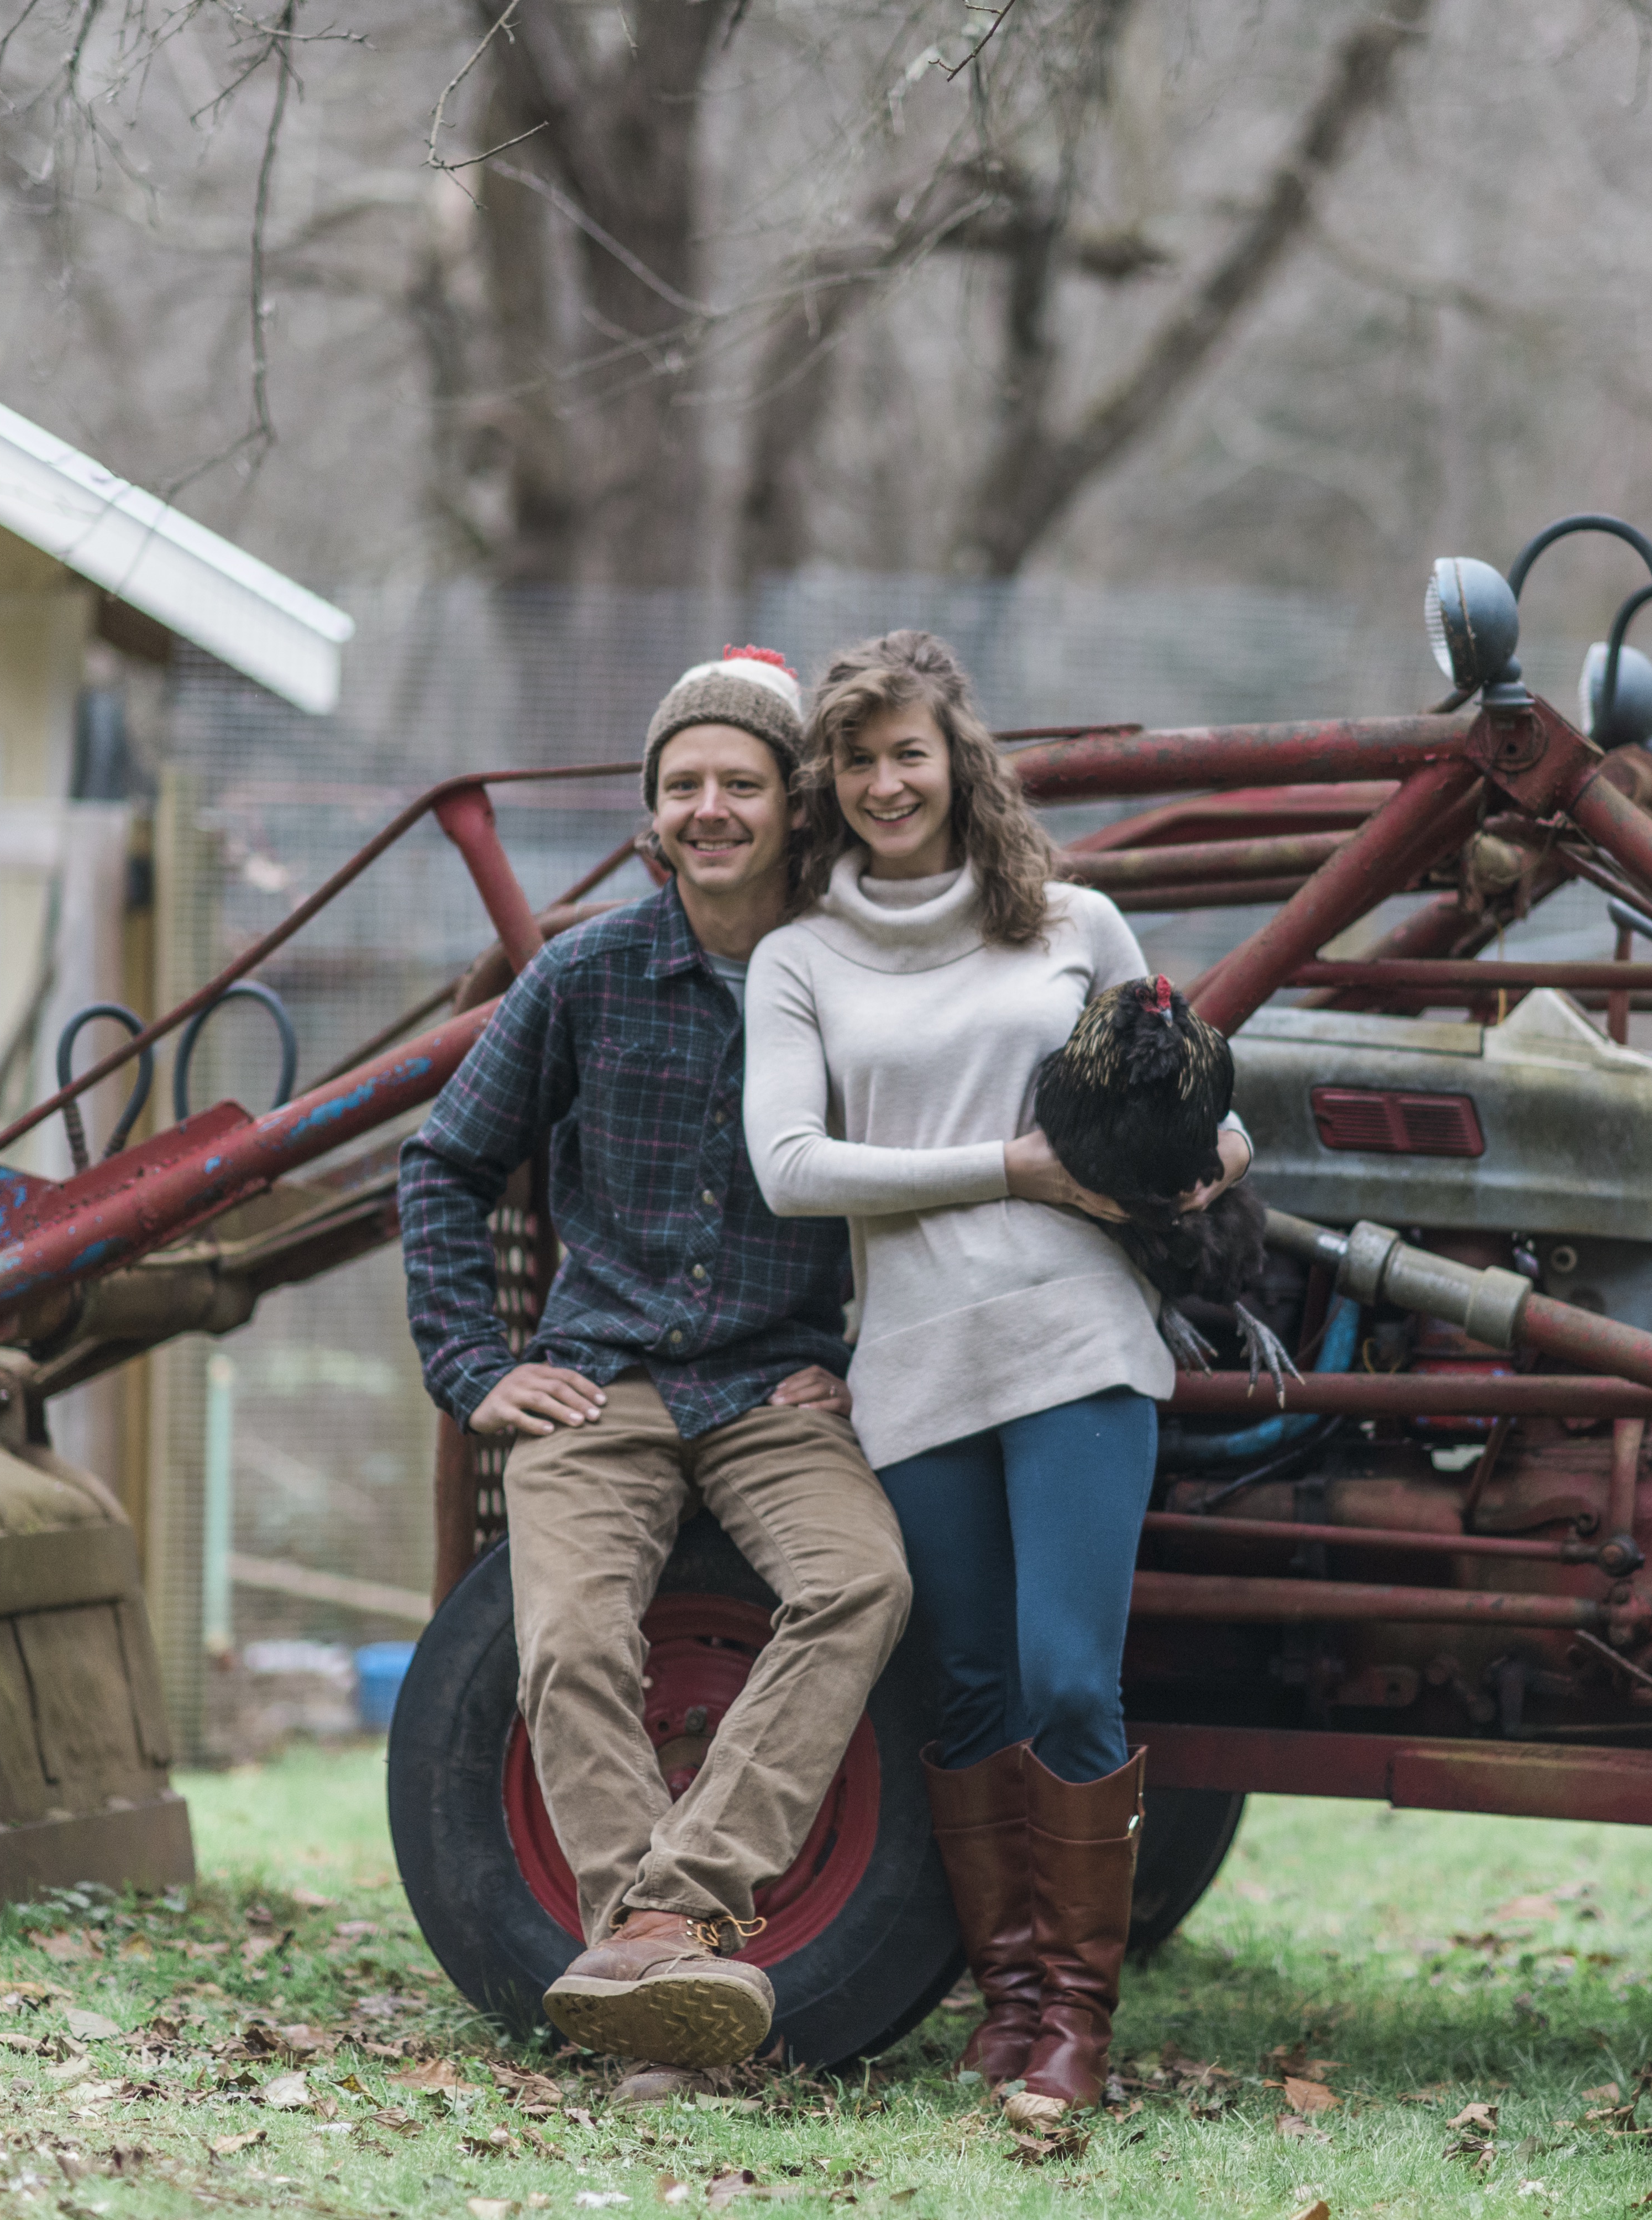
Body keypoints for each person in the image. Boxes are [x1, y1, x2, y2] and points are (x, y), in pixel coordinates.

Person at [741, 630, 1249, 2107]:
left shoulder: (1076, 922)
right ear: (829, 784)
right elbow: (788, 1167)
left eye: (911, 750)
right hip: (912, 1361)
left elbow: (1192, 1110)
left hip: (1080, 1341)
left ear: (961, 758)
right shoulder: (800, 960)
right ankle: (1008, 1995)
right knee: (964, 1694)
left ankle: (1079, 2017)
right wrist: (1015, 1168)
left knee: (1067, 1679)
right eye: (859, 758)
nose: (889, 780)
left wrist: (1207, 1156)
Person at [398, 647, 912, 2101]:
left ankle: (663, 1919)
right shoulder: (585, 975)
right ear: (652, 811)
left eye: (738, 782)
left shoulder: (848, 982)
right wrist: (472, 1367)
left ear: (791, 804)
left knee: (862, 1582)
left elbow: (928, 1194)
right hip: (599, 1385)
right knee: (564, 1644)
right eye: (682, 784)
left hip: (777, 1391)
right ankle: (657, 1961)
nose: (708, 808)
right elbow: (442, 1163)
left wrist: (874, 1368)